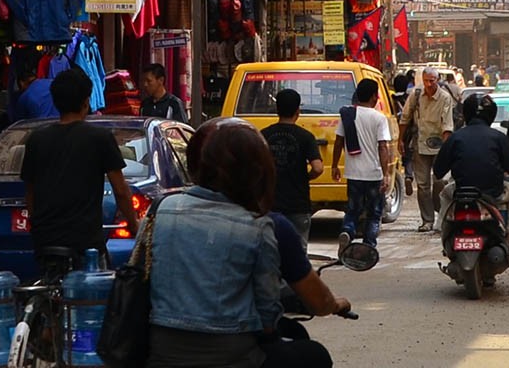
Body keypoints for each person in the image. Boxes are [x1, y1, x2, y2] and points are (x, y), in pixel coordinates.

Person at [146, 118, 328, 368]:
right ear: (259, 171)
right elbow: (267, 315)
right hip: (234, 356)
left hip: (160, 350)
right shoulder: (260, 225)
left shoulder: (162, 209)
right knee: (315, 355)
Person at [21, 68, 137, 263]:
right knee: (97, 291)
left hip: (45, 243)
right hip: (86, 244)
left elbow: (30, 193)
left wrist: (38, 227)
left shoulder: (36, 139)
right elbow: (121, 190)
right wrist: (135, 226)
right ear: (86, 102)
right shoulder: (100, 138)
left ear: (56, 102)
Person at [435, 94, 509, 256]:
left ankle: (441, 229)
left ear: (466, 113)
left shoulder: (455, 138)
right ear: (491, 115)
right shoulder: (499, 137)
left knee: (444, 193)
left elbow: (438, 170)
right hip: (493, 193)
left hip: (460, 193)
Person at [331, 79, 392, 255]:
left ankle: (347, 232)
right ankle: (369, 247)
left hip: (353, 174)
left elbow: (338, 142)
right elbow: (382, 147)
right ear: (374, 96)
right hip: (374, 175)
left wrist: (335, 165)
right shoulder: (379, 118)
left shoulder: (348, 115)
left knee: (353, 210)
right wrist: (386, 174)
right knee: (374, 214)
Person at [261, 89, 324, 247]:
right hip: (298, 205)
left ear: (277, 110)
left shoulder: (263, 135)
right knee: (298, 253)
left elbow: (253, 166)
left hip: (270, 205)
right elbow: (318, 168)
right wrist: (305, 176)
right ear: (298, 111)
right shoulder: (306, 137)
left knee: (270, 251)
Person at [398, 67, 455, 232]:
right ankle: (427, 220)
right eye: (426, 81)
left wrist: (446, 150)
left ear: (437, 80)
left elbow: (447, 126)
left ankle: (441, 214)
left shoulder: (445, 98)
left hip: (439, 146)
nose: (429, 84)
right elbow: (405, 118)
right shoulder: (416, 94)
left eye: (432, 81)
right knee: (423, 186)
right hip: (419, 144)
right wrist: (400, 140)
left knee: (441, 182)